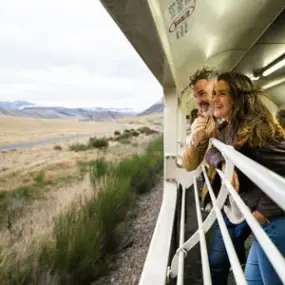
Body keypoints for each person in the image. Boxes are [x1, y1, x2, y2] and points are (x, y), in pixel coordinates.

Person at [205, 72, 285, 284]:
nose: (214, 98)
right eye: (214, 93)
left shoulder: (259, 130)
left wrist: (261, 213)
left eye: (222, 93)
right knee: (251, 279)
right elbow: (210, 150)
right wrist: (224, 163)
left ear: (239, 97)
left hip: (275, 222)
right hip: (264, 224)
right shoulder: (231, 128)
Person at [182, 67, 251, 285]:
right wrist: (197, 139)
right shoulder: (205, 122)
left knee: (220, 262)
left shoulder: (246, 121)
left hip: (253, 206)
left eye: (203, 93)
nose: (198, 100)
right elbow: (189, 164)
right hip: (229, 204)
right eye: (195, 95)